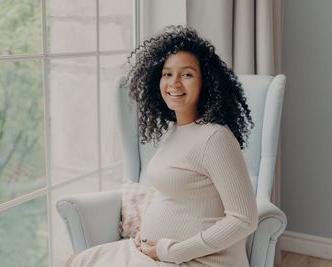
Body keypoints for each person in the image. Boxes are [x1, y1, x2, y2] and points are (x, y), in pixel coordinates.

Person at [66, 25, 258, 267]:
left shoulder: (215, 138)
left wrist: (172, 251)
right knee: (76, 261)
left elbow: (244, 220)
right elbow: (177, 197)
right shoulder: (176, 130)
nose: (174, 83)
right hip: (155, 252)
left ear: (206, 82)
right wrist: (147, 237)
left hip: (198, 260)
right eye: (167, 74)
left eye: (186, 74)